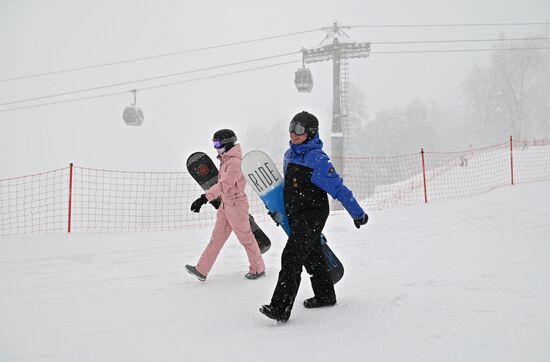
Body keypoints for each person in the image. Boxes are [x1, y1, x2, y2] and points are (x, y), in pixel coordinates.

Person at [259, 111, 368, 322]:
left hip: (313, 214)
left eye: (299, 129)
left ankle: (280, 308)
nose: (293, 133)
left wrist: (357, 213)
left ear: (310, 132)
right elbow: (287, 188)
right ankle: (325, 295)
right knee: (313, 254)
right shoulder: (289, 155)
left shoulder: (318, 160)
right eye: (291, 127)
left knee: (291, 257)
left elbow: (338, 188)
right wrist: (278, 210)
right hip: (295, 213)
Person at [185, 129, 266, 282]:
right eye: (213, 143)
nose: (215, 147)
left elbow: (223, 185)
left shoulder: (235, 163)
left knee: (246, 238)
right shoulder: (226, 160)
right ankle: (201, 269)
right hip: (226, 204)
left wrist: (204, 198)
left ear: (227, 143)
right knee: (217, 238)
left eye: (217, 144)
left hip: (236, 204)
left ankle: (258, 269)